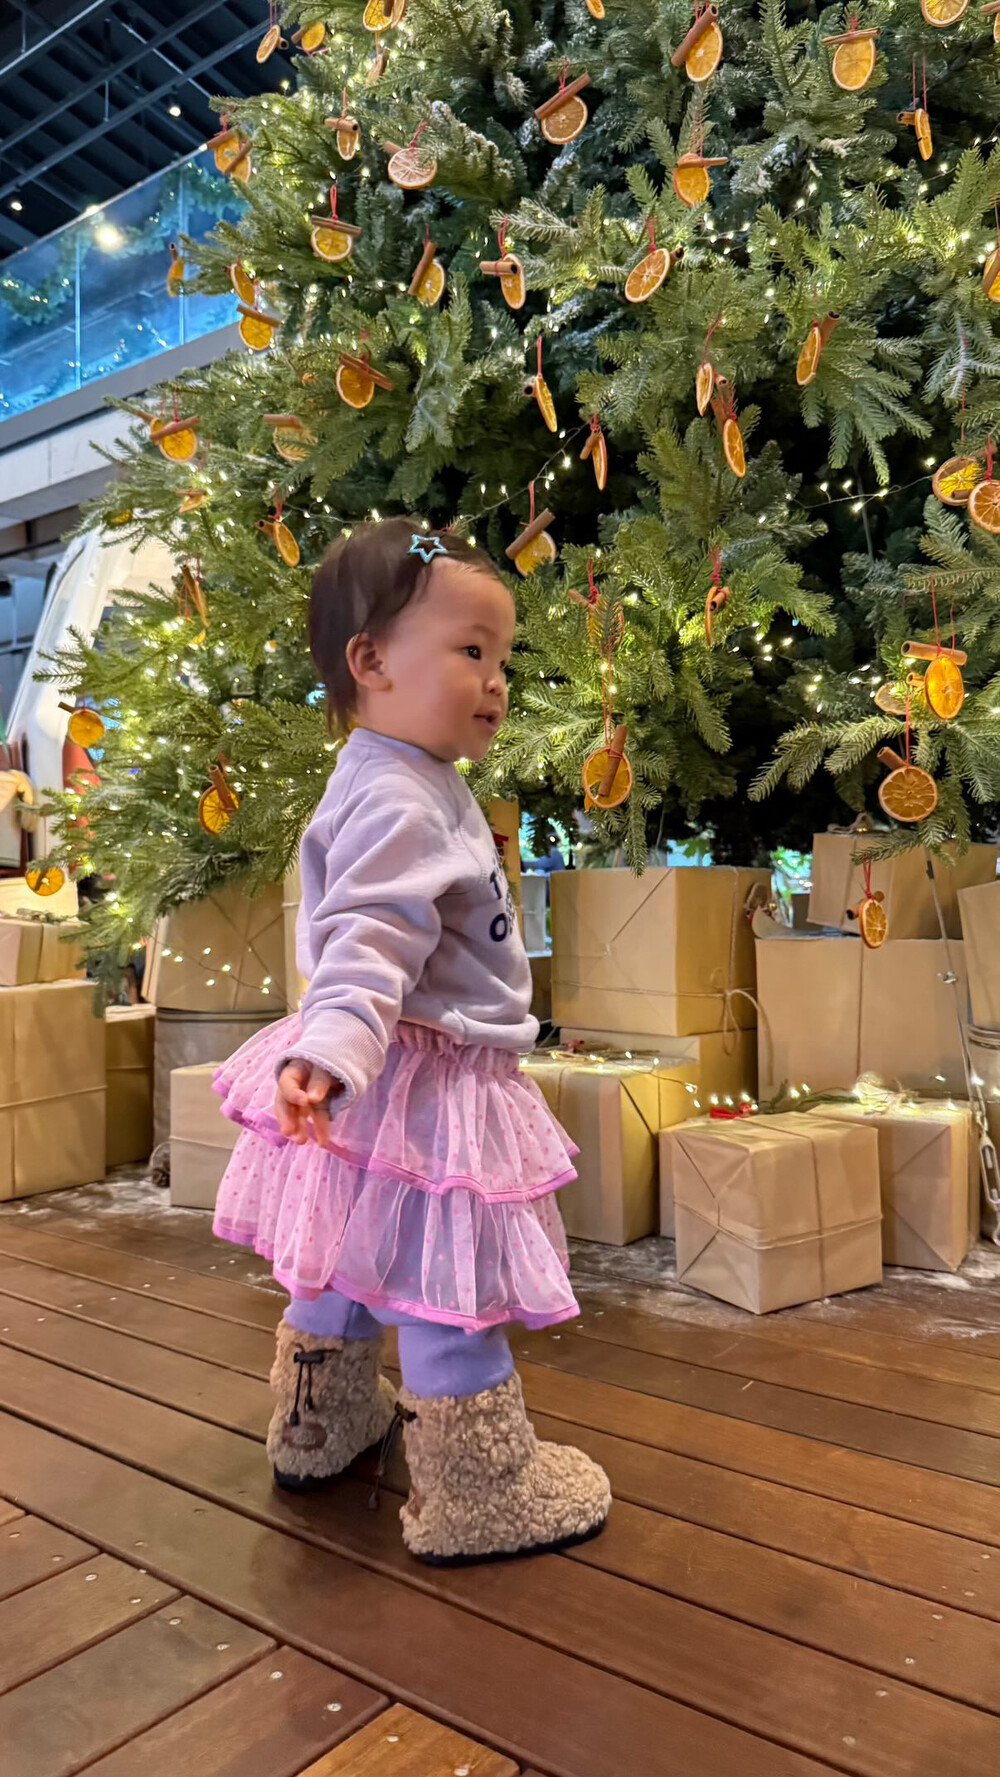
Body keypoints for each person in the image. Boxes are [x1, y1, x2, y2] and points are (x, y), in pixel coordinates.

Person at [212, 517, 610, 1565]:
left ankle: (317, 1419)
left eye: (502, 658)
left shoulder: (391, 771)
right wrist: (333, 1051)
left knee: (343, 1248)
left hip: (376, 1073)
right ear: (372, 661)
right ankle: (479, 1487)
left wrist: (337, 1057)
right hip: (416, 1075)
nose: (496, 681)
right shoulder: (401, 796)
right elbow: (369, 938)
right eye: (471, 650)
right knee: (445, 1281)